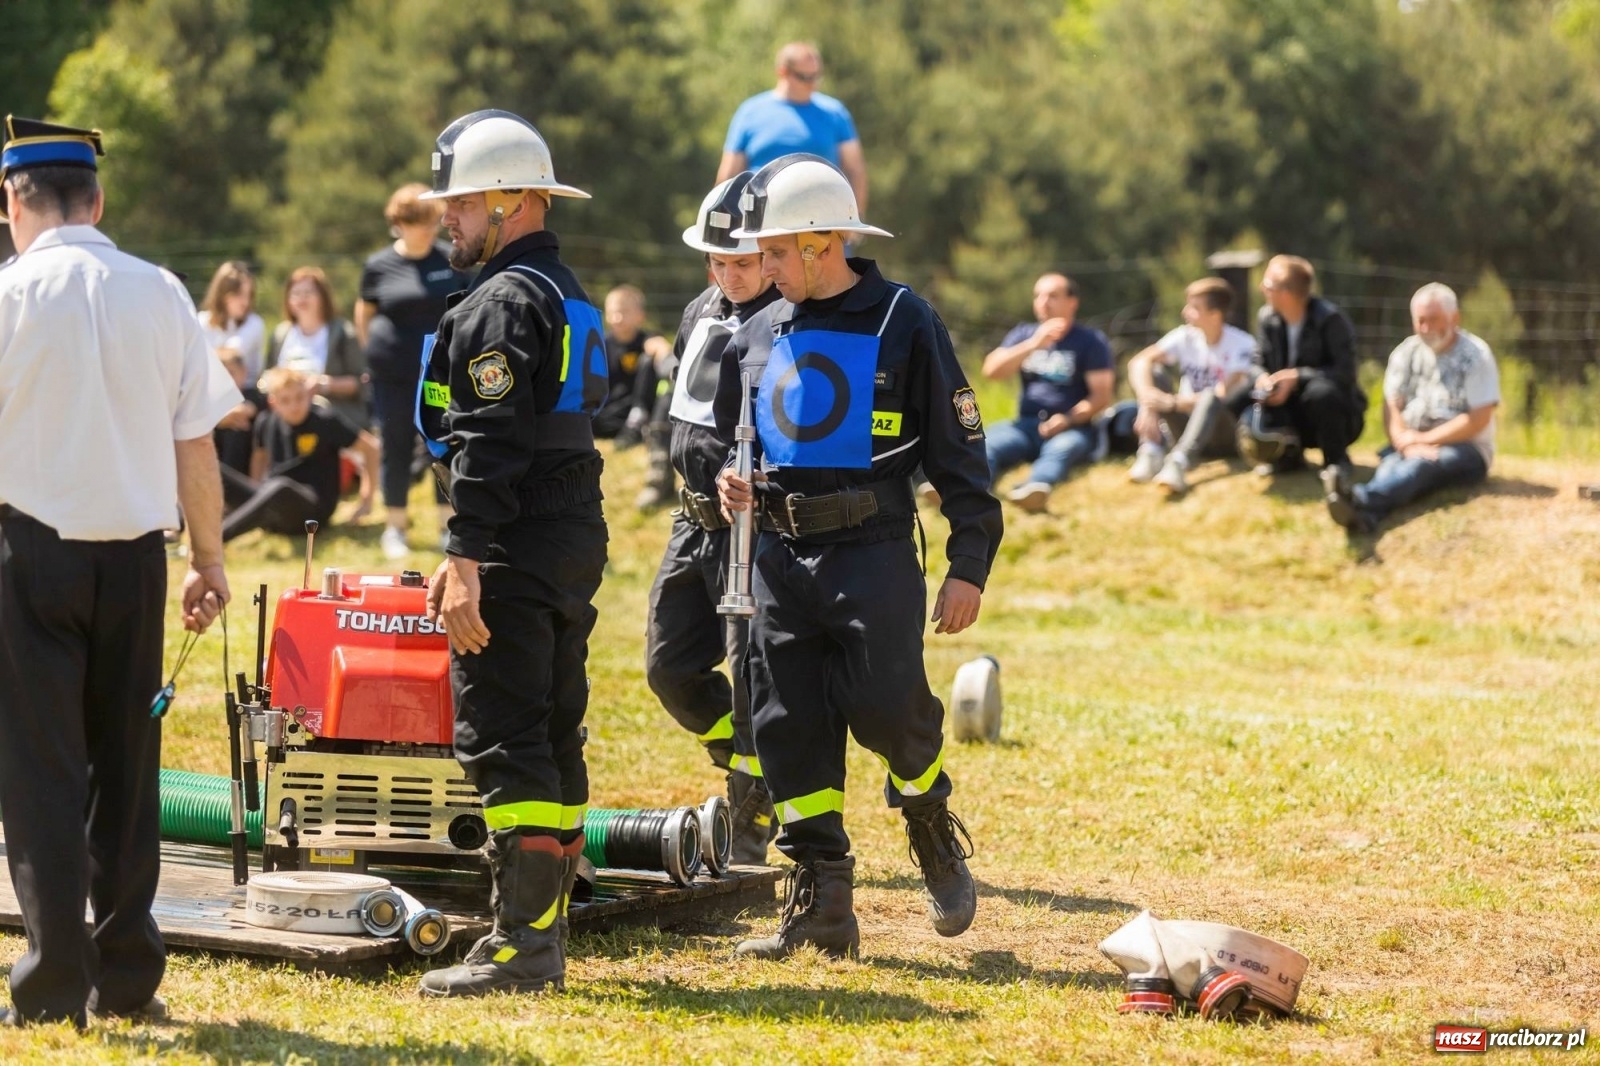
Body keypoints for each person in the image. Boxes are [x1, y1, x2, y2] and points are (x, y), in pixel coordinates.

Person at [715, 155, 1002, 959]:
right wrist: (732, 477)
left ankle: (927, 818)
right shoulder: (757, 331)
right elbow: (739, 440)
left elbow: (960, 453)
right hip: (777, 561)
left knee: (886, 706)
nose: (764, 268)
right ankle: (822, 907)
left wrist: (969, 564)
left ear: (821, 244)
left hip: (872, 553)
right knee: (786, 728)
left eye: (776, 252)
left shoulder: (906, 319)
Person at [0, 116, 238, 1027]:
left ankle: (54, 985)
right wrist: (208, 559)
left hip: (30, 551)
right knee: (129, 771)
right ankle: (129, 975)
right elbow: (196, 443)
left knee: (41, 772)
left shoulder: (8, 294)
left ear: (14, 201)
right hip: (138, 558)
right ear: (96, 200)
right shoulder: (163, 291)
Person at [410, 109, 609, 997]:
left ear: (512, 201)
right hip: (569, 532)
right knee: (555, 729)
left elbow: (488, 442)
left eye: (459, 204)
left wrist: (465, 556)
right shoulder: (563, 290)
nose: (446, 219)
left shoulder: (499, 302)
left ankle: (522, 948)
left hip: (516, 538)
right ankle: (544, 933)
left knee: (503, 733)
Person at [646, 174, 784, 866]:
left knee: (751, 670)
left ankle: (752, 811)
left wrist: (758, 478)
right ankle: (746, 753)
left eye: (743, 262)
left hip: (752, 530)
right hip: (691, 519)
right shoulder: (700, 309)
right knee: (667, 667)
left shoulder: (791, 321)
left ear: (772, 258)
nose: (729, 275)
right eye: (717, 261)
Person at [353, 183, 471, 559]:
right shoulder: (378, 265)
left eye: (433, 220)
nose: (430, 228)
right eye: (420, 221)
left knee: (443, 443)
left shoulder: (452, 258)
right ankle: (396, 527)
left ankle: (446, 526)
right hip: (392, 374)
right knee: (396, 444)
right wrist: (373, 353)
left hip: (441, 373)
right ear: (399, 223)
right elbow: (365, 312)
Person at [1324, 283, 1499, 534]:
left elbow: (1478, 419)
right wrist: (1403, 441)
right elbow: (1392, 407)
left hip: (1466, 448)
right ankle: (1365, 516)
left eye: (1433, 320)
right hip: (1410, 442)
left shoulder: (1476, 355)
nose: (1426, 328)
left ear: (1455, 318)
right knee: (1391, 467)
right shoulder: (1405, 352)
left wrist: (1422, 440)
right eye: (1420, 321)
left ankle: (1359, 498)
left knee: (1419, 466)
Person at [980, 273, 1114, 512]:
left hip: (1072, 427)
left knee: (1061, 450)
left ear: (1072, 302)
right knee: (986, 444)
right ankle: (972, 489)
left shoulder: (1091, 341)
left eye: (1052, 296)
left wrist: (1067, 419)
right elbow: (991, 371)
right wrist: (1033, 344)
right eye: (1038, 296)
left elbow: (1101, 396)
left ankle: (1035, 487)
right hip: (1025, 425)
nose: (1043, 302)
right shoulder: (1024, 334)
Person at [1233, 255, 1365, 477]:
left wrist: (1297, 377)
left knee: (1321, 393)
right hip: (1286, 403)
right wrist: (1262, 378)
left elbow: (1345, 372)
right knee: (1238, 397)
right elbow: (1257, 362)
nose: (1262, 289)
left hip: (1334, 410)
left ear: (1285, 293)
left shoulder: (1330, 319)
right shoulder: (1267, 317)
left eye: (1267, 285)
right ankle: (1286, 456)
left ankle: (1336, 461)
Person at [1124, 277, 1256, 496]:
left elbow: (1222, 394)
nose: (1185, 312)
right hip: (1186, 422)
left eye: (1194, 308)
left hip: (1225, 432)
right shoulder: (1184, 336)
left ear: (1215, 314)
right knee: (1153, 374)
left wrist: (1172, 403)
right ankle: (1150, 451)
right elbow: (1139, 362)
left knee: (1210, 397)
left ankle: (1178, 462)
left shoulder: (1243, 344)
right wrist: (1148, 402)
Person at [220, 367, 378, 542]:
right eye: (285, 400)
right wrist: (256, 498)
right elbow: (259, 456)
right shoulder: (265, 421)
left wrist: (366, 501)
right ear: (273, 402)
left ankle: (218, 537)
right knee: (215, 470)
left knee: (280, 486)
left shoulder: (324, 420)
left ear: (308, 395)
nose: (294, 406)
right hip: (274, 505)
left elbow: (371, 448)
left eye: (299, 397)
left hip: (312, 512)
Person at [717, 42, 868, 214]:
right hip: (760, 216)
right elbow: (728, 174)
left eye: (816, 76)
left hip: (824, 216)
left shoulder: (835, 113)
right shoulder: (750, 112)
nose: (813, 84)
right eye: (805, 77)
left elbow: (855, 170)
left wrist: (856, 217)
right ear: (783, 72)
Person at [263, 266, 369, 428]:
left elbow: (359, 383)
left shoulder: (343, 332)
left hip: (328, 415)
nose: (301, 299)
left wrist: (323, 385)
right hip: (285, 416)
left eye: (308, 293)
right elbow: (267, 375)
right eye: (296, 293)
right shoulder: (280, 334)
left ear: (323, 297)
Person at [594, 284, 669, 444]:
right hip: (608, 412)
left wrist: (662, 353)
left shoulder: (646, 340)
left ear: (640, 316)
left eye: (624, 312)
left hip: (637, 409)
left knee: (647, 360)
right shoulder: (601, 345)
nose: (617, 318)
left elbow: (660, 346)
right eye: (612, 313)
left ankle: (638, 423)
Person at [197, 260, 266, 380]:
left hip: (245, 390)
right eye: (239, 294)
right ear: (223, 293)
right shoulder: (201, 321)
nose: (245, 302)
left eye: (249, 295)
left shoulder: (254, 323)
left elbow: (231, 355)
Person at [213, 349, 264, 475]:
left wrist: (224, 416)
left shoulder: (253, 395)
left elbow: (246, 409)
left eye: (231, 373)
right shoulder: (208, 401)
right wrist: (219, 420)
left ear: (244, 372)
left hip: (246, 470)